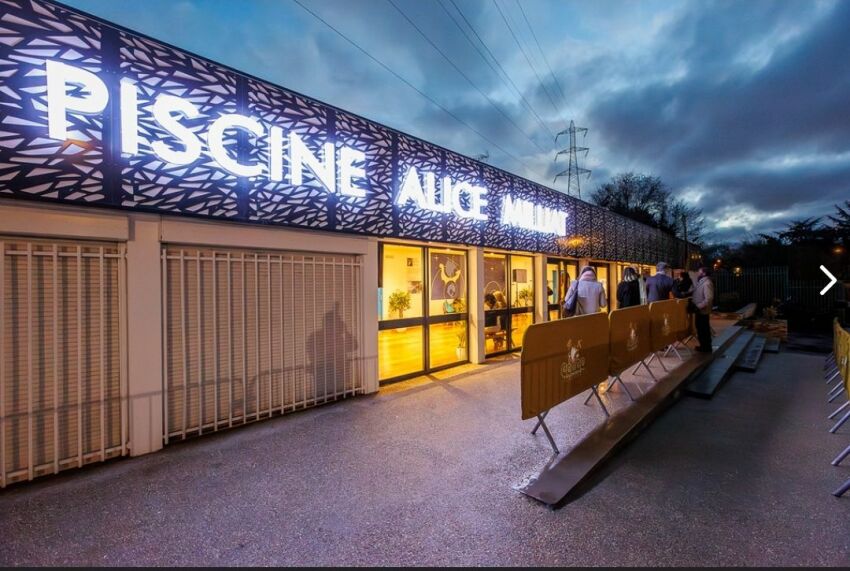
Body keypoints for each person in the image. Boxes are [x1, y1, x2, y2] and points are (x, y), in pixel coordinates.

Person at [692, 266, 715, 352]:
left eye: (699, 272)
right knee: (701, 329)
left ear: (704, 273)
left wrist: (698, 306)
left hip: (703, 311)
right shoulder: (702, 282)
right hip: (700, 311)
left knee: (703, 329)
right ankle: (703, 346)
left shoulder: (707, 283)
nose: (698, 273)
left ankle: (706, 347)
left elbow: (709, 299)